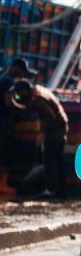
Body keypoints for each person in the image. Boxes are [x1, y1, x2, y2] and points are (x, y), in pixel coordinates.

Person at [11, 79, 69, 199]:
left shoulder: (37, 99)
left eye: (19, 93)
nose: (19, 96)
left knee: (49, 159)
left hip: (55, 129)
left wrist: (43, 133)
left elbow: (50, 116)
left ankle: (50, 190)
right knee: (57, 160)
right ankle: (60, 190)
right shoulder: (38, 91)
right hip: (61, 125)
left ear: (24, 91)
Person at [0, 58, 38, 194]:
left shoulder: (2, 78)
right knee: (4, 154)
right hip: (3, 124)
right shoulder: (9, 81)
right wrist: (22, 107)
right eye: (21, 71)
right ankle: (2, 185)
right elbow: (9, 101)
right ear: (15, 68)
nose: (21, 74)